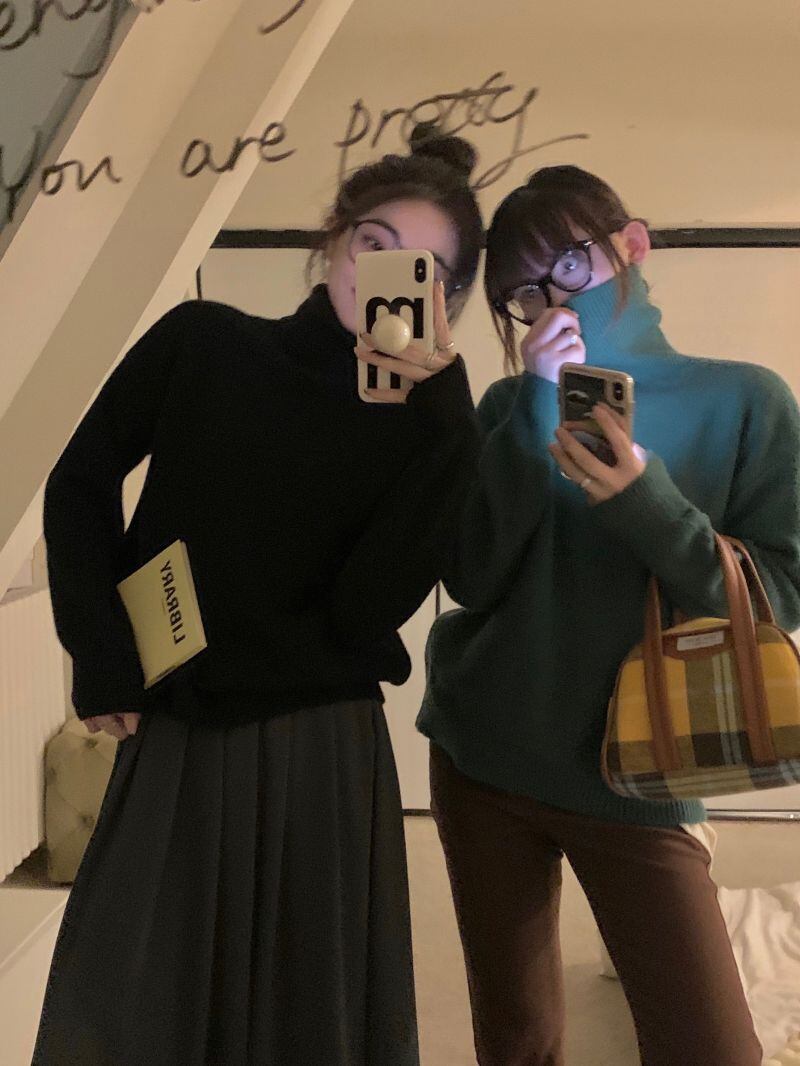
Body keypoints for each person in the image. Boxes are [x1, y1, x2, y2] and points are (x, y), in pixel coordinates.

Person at [34, 125, 484, 1066]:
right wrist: (101, 657)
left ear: (448, 300)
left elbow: (366, 611)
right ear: (333, 239)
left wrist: (447, 423)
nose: (387, 275)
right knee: (129, 1012)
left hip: (325, 753)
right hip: (181, 734)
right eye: (374, 242)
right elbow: (79, 481)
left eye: (425, 269)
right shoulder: (204, 341)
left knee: (304, 1023)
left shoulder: (427, 427)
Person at [418, 165, 800, 1066]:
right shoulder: (510, 405)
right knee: (517, 1040)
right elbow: (472, 577)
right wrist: (533, 407)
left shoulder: (745, 400)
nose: (553, 302)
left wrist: (643, 500)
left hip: (640, 773)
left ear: (632, 245)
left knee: (710, 1048)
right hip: (485, 754)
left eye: (569, 265)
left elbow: (778, 597)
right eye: (524, 293)